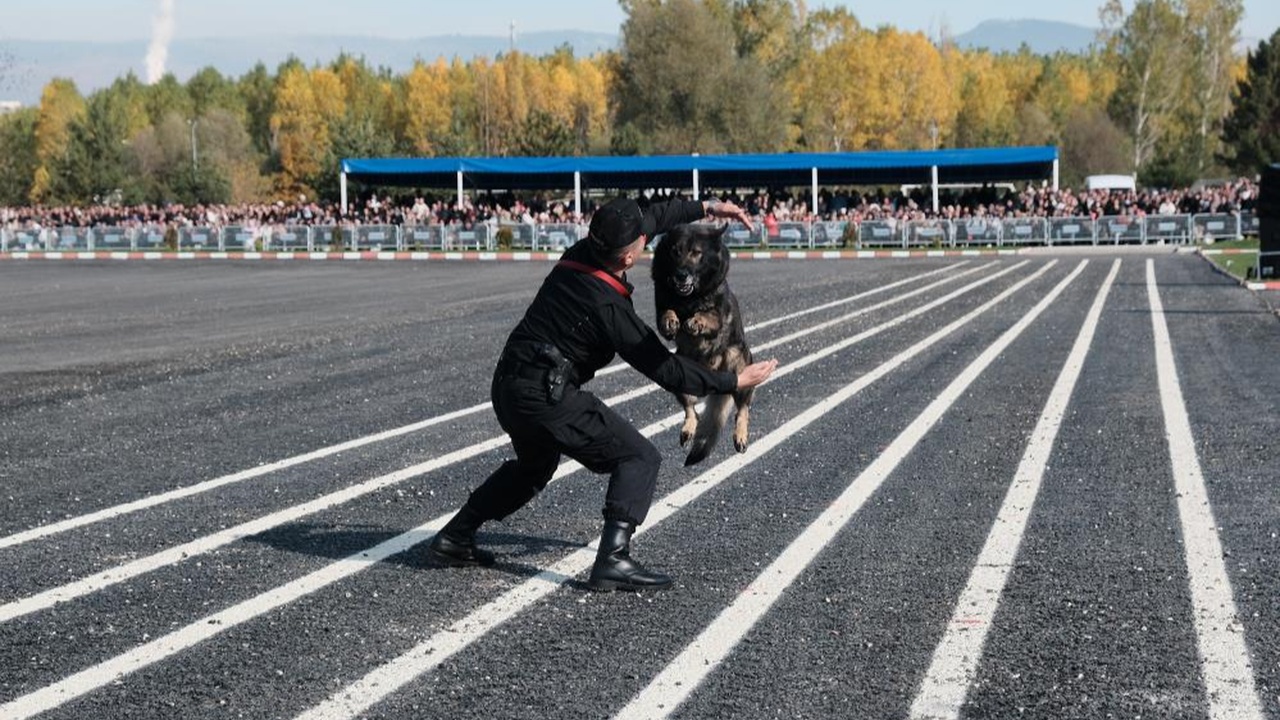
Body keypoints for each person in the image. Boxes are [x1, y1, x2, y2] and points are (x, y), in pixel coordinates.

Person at [428, 196, 779, 591]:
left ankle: (455, 537)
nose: (648, 240)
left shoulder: (582, 251)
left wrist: (708, 207)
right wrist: (733, 382)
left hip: (508, 383)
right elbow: (665, 368)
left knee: (534, 467)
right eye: (641, 242)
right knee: (638, 457)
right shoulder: (608, 306)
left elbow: (657, 217)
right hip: (547, 394)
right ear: (628, 259)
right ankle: (612, 560)